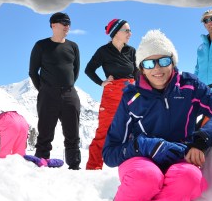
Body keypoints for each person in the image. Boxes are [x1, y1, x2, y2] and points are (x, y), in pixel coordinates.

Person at [102, 30, 212, 201]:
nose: (157, 69)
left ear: (173, 61)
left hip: (180, 155)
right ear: (141, 67)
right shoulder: (132, 98)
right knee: (147, 176)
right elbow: (110, 153)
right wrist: (142, 144)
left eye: (164, 60)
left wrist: (202, 139)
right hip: (141, 159)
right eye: (149, 63)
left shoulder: (189, 86)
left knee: (190, 179)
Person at [28, 12, 82, 170]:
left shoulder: (73, 46)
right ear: (53, 25)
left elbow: (75, 71)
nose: (67, 26)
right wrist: (44, 89)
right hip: (48, 94)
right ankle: (40, 165)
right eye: (64, 23)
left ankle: (74, 167)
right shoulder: (41, 45)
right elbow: (33, 72)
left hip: (69, 94)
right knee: (45, 134)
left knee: (72, 135)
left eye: (69, 23)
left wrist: (67, 88)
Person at [84, 19, 137, 170]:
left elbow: (137, 73)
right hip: (112, 93)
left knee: (134, 131)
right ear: (116, 32)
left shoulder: (132, 51)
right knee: (104, 131)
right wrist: (102, 82)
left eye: (130, 30)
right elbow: (89, 70)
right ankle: (93, 168)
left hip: (131, 93)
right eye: (126, 30)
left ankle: (132, 169)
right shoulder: (103, 51)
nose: (130, 33)